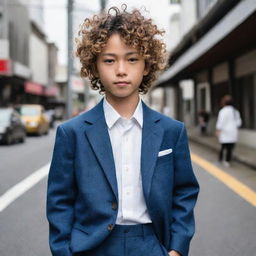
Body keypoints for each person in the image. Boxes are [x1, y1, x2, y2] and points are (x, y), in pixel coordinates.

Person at [47, 5, 199, 256]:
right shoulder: (71, 133)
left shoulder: (172, 131)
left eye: (132, 59)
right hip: (91, 246)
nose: (121, 70)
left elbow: (184, 191)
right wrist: (64, 252)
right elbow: (59, 201)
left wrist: (177, 249)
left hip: (152, 242)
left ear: (147, 65)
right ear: (94, 67)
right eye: (109, 60)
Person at [216, 95, 242, 167]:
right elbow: (239, 122)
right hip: (233, 132)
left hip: (225, 132)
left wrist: (218, 130)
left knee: (223, 146)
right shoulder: (235, 111)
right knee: (230, 148)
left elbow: (220, 122)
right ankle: (227, 161)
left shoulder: (223, 111)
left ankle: (220, 159)